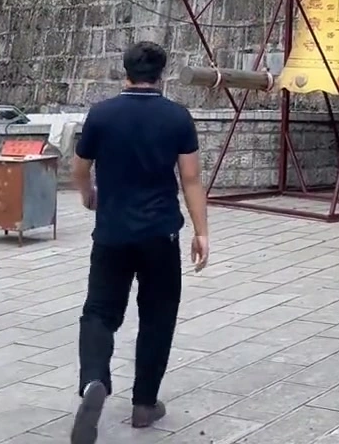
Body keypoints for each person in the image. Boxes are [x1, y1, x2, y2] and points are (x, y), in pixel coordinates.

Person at [70, 41, 208, 443]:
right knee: (157, 317)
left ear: (125, 71)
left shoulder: (102, 115)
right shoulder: (177, 117)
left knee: (98, 312)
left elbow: (80, 168)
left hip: (112, 234)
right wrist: (201, 232)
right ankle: (144, 405)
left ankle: (94, 380)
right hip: (161, 234)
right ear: (161, 74)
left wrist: (88, 195)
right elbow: (192, 179)